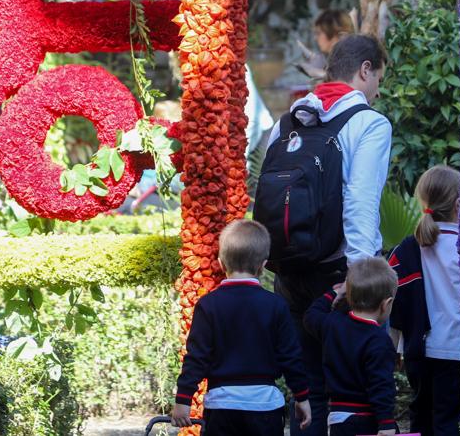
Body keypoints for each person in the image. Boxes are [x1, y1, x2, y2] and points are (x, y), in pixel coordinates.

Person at [263, 33, 393, 436]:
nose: (376, 93)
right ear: (365, 70)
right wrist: (358, 277)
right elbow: (360, 202)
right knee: (354, 394)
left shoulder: (286, 123)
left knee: (305, 393)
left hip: (287, 273)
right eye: (378, 81)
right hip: (338, 276)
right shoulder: (368, 124)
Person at [171, 220, 313, 435]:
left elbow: (197, 356)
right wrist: (302, 396)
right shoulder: (275, 305)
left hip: (221, 406)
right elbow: (290, 357)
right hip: (265, 406)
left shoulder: (208, 305)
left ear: (220, 263)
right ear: (263, 265)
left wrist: (183, 398)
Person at [388, 166, 460, 436]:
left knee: (420, 418)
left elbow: (391, 300)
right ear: (459, 204)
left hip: (418, 352)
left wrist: (394, 347)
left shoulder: (406, 249)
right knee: (449, 421)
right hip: (458, 351)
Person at [304, 258, 399, 436]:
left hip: (338, 417)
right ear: (386, 304)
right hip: (366, 419)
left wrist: (334, 292)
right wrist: (386, 422)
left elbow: (311, 315)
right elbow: (381, 384)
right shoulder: (379, 339)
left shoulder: (332, 324)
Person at [297, 9, 356, 80]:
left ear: (335, 33)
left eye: (318, 33)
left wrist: (324, 75)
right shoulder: (331, 60)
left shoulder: (352, 59)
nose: (315, 38)